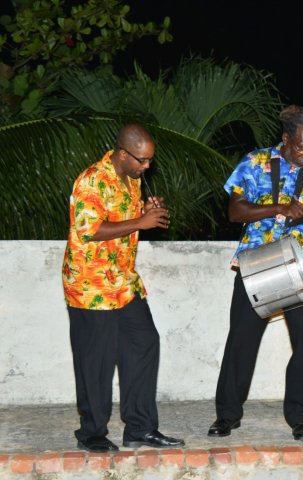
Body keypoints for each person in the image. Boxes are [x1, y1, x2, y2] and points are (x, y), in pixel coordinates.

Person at [208, 105, 303, 441]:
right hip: (256, 262)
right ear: (285, 139)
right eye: (301, 147)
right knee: (241, 340)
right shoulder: (255, 162)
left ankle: (300, 419)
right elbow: (234, 211)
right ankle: (227, 416)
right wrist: (279, 208)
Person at [62, 124, 185, 452]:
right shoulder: (92, 180)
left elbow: (121, 219)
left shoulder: (132, 179)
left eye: (150, 160)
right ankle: (91, 433)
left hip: (123, 281)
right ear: (122, 153)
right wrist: (140, 223)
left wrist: (144, 212)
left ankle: (140, 429)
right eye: (142, 160)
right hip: (91, 284)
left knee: (144, 342)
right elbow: (89, 230)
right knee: (96, 360)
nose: (147, 166)